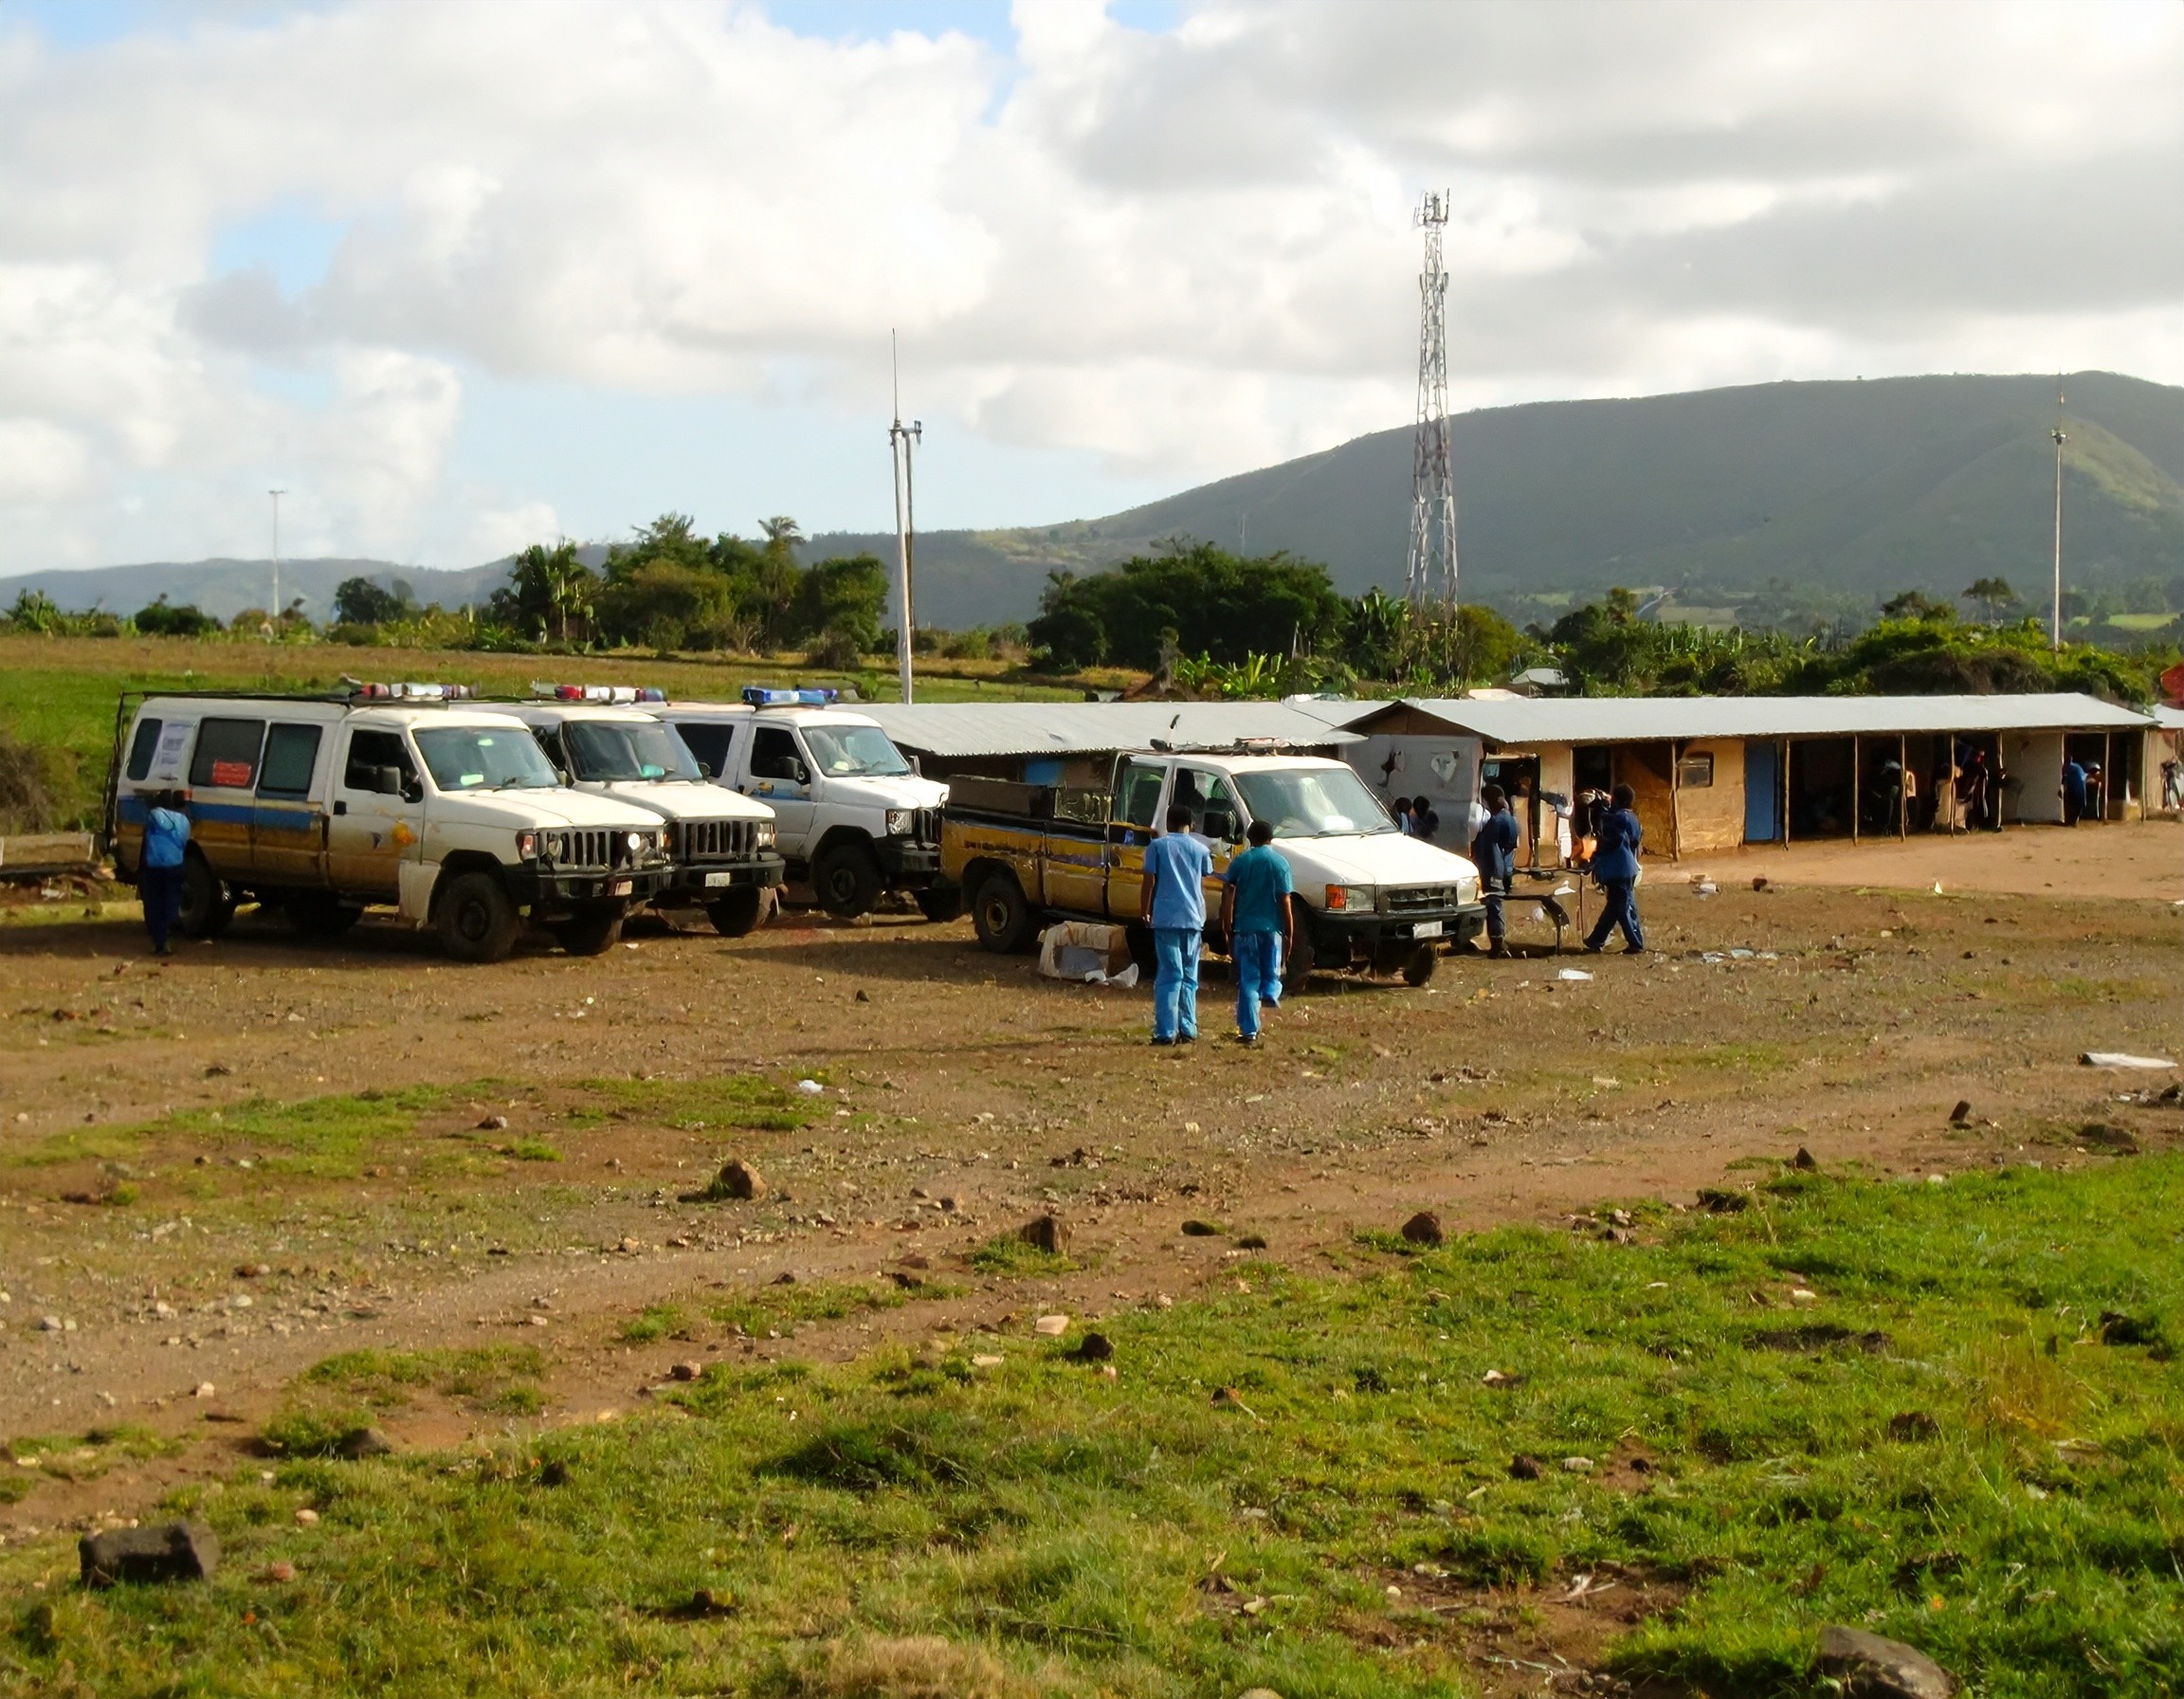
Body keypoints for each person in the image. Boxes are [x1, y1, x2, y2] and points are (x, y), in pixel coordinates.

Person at [1140, 803, 1214, 1047]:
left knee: (1169, 975)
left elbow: (1149, 880)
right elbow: (1205, 874)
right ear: (1191, 825)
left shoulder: (1157, 847)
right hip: (1193, 918)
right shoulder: (1201, 849)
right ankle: (1188, 1027)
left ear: (1167, 823)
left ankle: (1165, 1030)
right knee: (1190, 976)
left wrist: (1145, 910)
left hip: (1166, 917)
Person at [1220, 818, 1295, 1046]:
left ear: (1250, 839)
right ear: (1271, 838)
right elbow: (1285, 900)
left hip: (1245, 929)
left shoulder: (1240, 862)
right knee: (1271, 971)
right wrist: (1290, 932)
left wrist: (1227, 926)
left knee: (1248, 981)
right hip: (1272, 929)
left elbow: (1229, 897)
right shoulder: (1280, 863)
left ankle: (1249, 1031)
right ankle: (1271, 992)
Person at [1582, 783, 1645, 955]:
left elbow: (1610, 838)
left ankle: (1635, 943)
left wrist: (1594, 859)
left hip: (1619, 868)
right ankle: (1596, 939)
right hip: (1626, 867)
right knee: (1615, 907)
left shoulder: (1618, 818)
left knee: (1622, 908)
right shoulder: (1631, 817)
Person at [138, 790, 191, 957]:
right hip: (175, 865)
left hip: (153, 866)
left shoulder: (154, 815)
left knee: (154, 903)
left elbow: (145, 840)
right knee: (171, 900)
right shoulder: (184, 820)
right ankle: (169, 935)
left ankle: (159, 941)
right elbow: (184, 843)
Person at [1470, 783, 1520, 959]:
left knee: (1494, 904)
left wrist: (1501, 861)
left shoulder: (1502, 820)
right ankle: (1496, 941)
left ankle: (1498, 943)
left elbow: (1510, 843)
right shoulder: (1496, 819)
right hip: (1490, 866)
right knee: (1490, 903)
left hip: (1494, 868)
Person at [2060, 756, 2085, 827]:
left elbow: (2063, 780)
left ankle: (2071, 822)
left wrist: (2062, 788)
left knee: (2071, 806)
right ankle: (2074, 822)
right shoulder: (2078, 767)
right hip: (2080, 789)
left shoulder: (2066, 767)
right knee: (2077, 806)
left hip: (2072, 789)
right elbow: (2083, 777)